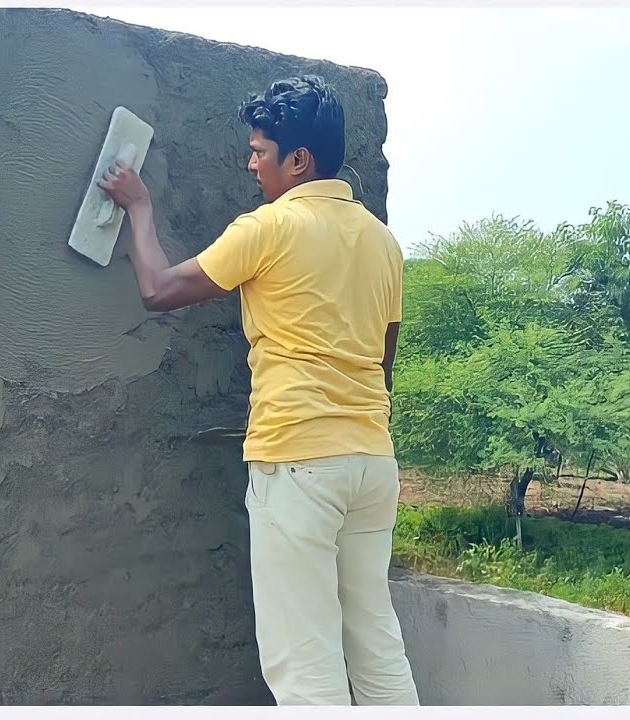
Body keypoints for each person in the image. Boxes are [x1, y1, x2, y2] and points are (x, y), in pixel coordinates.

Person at [97, 74, 418, 706]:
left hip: (299, 462)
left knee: (304, 664)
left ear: (298, 161)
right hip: (372, 463)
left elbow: (159, 290)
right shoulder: (384, 243)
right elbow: (383, 360)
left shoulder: (271, 226)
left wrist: (139, 207)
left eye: (260, 151)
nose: (250, 164)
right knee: (375, 641)